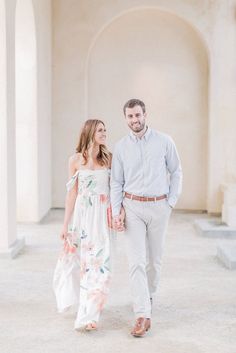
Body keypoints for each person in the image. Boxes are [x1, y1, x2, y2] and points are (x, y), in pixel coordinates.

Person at [111, 99, 182, 337]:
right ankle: (142, 314)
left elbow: (176, 171)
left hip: (159, 206)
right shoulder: (120, 147)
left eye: (138, 115)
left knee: (155, 261)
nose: (135, 120)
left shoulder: (164, 141)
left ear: (145, 114)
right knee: (136, 262)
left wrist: (170, 202)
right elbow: (116, 182)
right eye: (130, 117)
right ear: (126, 119)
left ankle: (148, 295)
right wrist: (116, 210)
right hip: (132, 208)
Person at [53, 119, 116, 331]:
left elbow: (115, 191)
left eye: (105, 130)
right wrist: (65, 225)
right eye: (100, 130)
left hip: (102, 218)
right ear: (89, 132)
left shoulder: (108, 158)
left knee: (101, 264)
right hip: (82, 216)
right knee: (82, 264)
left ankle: (92, 310)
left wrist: (117, 215)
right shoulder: (75, 160)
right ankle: (86, 309)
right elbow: (71, 194)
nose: (104, 133)